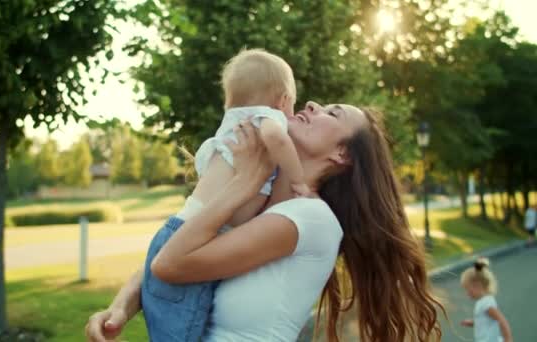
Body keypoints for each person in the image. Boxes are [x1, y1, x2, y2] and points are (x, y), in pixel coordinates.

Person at [86, 102, 444, 342]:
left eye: (331, 113)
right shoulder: (257, 209)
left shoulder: (310, 219)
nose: (311, 105)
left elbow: (169, 264)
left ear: (342, 154)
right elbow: (176, 249)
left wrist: (245, 180)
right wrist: (121, 307)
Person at [141, 49, 310, 341]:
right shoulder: (267, 118)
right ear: (283, 100)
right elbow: (276, 139)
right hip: (196, 239)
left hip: (179, 231)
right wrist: (299, 180)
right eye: (292, 105)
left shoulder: (232, 126)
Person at [460, 257, 513, 342]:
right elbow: (485, 321)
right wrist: (473, 322)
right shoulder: (482, 301)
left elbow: (502, 320)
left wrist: (508, 339)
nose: (467, 293)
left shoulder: (486, 303)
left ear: (477, 285)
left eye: (467, 289)